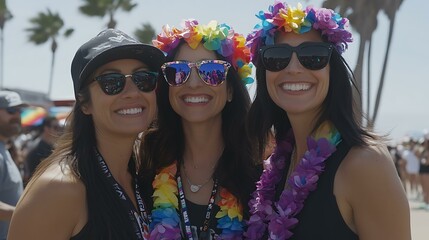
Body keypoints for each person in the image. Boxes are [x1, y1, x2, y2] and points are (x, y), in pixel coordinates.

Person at [244, 2, 410, 239]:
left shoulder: (365, 164)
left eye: (313, 56)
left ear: (333, 71)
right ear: (265, 74)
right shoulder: (277, 165)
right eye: (277, 57)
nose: (293, 68)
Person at [8, 28, 165, 240]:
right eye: (111, 82)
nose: (133, 92)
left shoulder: (145, 176)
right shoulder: (59, 189)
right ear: (84, 103)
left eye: (143, 78)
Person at [139, 19, 257, 239]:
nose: (193, 83)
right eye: (178, 71)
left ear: (231, 90)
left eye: (211, 71)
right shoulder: (145, 167)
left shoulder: (260, 174)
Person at [0, 90, 27, 240]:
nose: (17, 116)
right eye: (11, 110)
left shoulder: (5, 148)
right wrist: (27, 215)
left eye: (19, 111)